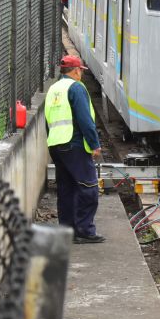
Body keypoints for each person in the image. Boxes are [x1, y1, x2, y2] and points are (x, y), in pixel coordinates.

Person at [45, 55, 104, 244]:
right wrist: (94, 144)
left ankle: (67, 230)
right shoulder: (76, 88)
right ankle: (85, 230)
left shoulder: (53, 89)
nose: (82, 75)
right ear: (77, 70)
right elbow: (85, 119)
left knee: (66, 188)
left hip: (56, 144)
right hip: (74, 143)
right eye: (81, 71)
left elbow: (48, 120)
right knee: (88, 187)